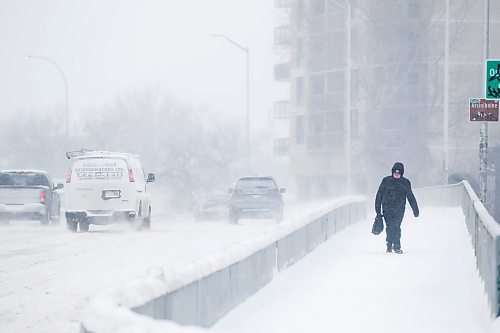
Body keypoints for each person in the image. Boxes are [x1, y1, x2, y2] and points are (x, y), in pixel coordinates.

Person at [375, 162, 419, 254]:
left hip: (399, 209)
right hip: (387, 208)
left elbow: (410, 196)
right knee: (390, 227)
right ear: (392, 172)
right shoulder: (386, 181)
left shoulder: (405, 182)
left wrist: (415, 210)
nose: (396, 175)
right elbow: (379, 196)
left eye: (398, 174)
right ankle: (389, 245)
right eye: (395, 173)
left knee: (397, 226)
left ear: (402, 174)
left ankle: (397, 246)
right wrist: (378, 211)